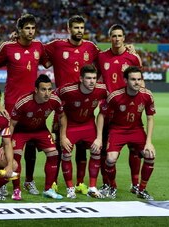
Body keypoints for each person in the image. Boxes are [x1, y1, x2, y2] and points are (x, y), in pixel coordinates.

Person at [0, 14, 51, 196]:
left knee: (32, 145)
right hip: (12, 106)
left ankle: (29, 181)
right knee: (7, 146)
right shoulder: (8, 47)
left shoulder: (38, 47)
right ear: (19, 30)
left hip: (34, 105)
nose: (30, 31)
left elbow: (49, 62)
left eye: (32, 28)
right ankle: (4, 179)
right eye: (26, 28)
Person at [44, 15, 100, 195]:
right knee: (62, 147)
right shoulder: (57, 45)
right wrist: (17, 37)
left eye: (81, 28)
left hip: (83, 105)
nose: (79, 31)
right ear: (69, 28)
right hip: (63, 106)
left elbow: (104, 60)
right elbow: (36, 50)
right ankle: (53, 182)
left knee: (83, 149)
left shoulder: (91, 48)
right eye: (75, 27)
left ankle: (80, 183)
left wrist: (128, 50)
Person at [96, 24, 143, 195]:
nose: (116, 39)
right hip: (109, 111)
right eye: (113, 36)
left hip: (130, 111)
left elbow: (140, 82)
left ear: (124, 38)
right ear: (110, 38)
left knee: (135, 150)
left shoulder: (132, 57)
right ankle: (108, 183)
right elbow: (94, 77)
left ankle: (135, 183)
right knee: (104, 151)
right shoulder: (101, 57)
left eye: (119, 36)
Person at [102, 66, 155, 200]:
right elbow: (102, 115)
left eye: (139, 79)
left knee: (150, 155)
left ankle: (142, 189)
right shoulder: (115, 96)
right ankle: (112, 186)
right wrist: (98, 137)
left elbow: (150, 118)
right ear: (125, 80)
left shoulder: (147, 95)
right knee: (110, 159)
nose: (137, 82)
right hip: (117, 130)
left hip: (136, 129)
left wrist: (149, 142)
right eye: (133, 79)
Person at [56, 64, 107, 199]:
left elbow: (116, 96)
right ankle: (70, 188)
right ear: (81, 79)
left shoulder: (102, 89)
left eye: (94, 78)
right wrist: (61, 133)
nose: (92, 81)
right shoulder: (67, 90)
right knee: (66, 153)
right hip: (71, 125)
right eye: (88, 78)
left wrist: (99, 137)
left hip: (89, 124)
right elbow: (52, 99)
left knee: (97, 150)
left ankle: (92, 187)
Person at [9, 74, 64, 201]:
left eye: (49, 89)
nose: (47, 93)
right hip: (21, 130)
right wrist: (5, 143)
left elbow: (62, 116)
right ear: (36, 90)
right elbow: (12, 124)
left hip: (40, 129)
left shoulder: (55, 100)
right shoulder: (23, 102)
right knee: (16, 155)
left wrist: (63, 136)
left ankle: (48, 189)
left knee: (54, 154)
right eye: (43, 89)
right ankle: (16, 190)